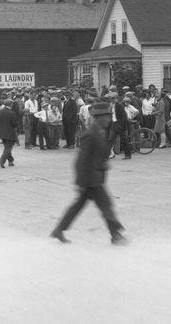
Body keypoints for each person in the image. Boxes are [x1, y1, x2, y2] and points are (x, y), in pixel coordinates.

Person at [50, 102, 128, 246]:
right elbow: (81, 160)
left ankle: (59, 230)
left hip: (94, 178)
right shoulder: (90, 134)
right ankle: (115, 235)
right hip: (90, 180)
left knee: (78, 206)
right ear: (99, 118)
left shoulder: (100, 131)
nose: (109, 119)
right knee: (105, 205)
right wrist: (81, 182)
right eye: (107, 117)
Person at [0, 99, 19, 167]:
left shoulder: (0, 111)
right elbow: (15, 124)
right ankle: (2, 160)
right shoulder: (11, 113)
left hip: (2, 132)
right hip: (10, 132)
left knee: (7, 147)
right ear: (10, 105)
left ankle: (10, 161)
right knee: (8, 148)